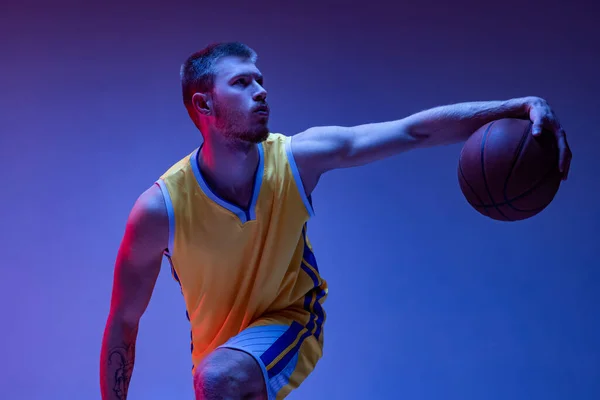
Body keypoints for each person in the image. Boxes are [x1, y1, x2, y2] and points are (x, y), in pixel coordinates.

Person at [99, 42, 572, 400]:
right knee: (216, 376)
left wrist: (515, 106)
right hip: (220, 357)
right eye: (242, 83)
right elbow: (124, 320)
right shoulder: (160, 209)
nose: (261, 90)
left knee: (218, 377)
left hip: (292, 319)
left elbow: (412, 130)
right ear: (204, 105)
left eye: (261, 80)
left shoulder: (297, 159)